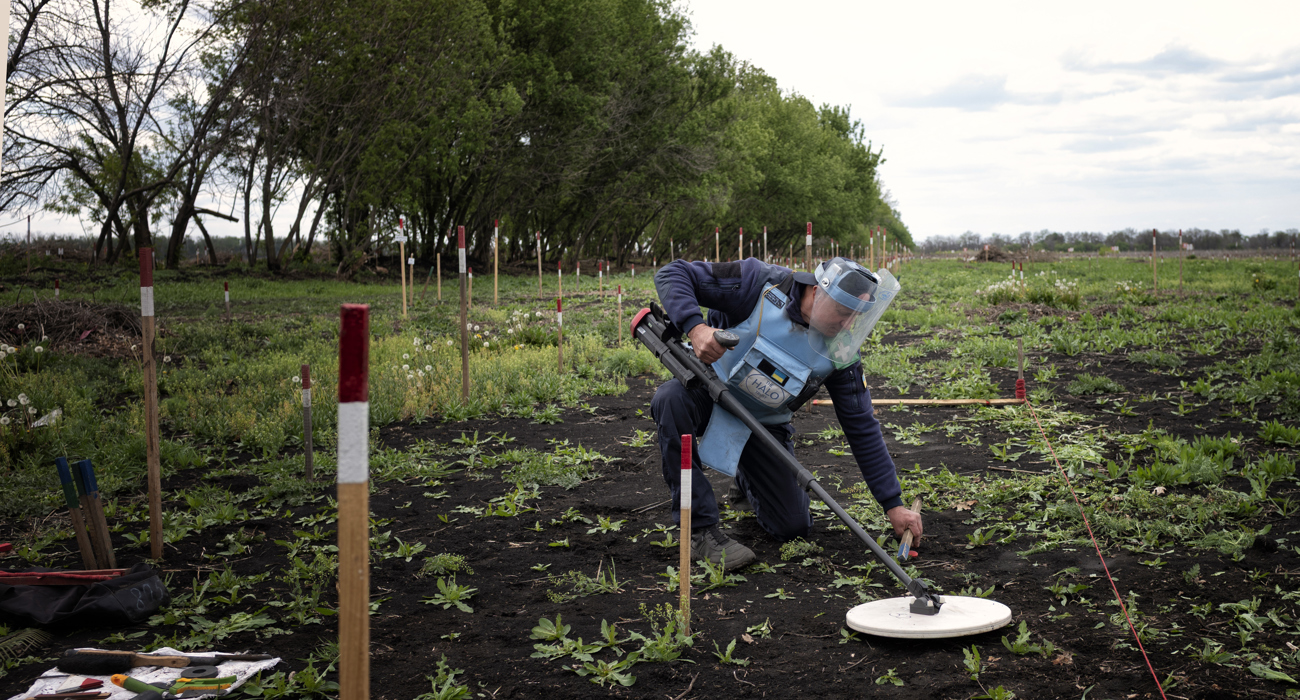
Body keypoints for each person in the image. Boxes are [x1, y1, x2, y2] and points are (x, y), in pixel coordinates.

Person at [650, 255, 922, 571]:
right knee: (669, 398)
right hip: (708, 392)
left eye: (855, 318)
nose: (847, 326)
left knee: (793, 526)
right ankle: (699, 530)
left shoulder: (841, 352)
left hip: (763, 426)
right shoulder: (756, 283)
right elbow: (673, 273)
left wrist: (893, 505)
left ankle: (746, 475)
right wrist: (696, 328)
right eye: (843, 313)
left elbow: (861, 426)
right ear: (820, 292)